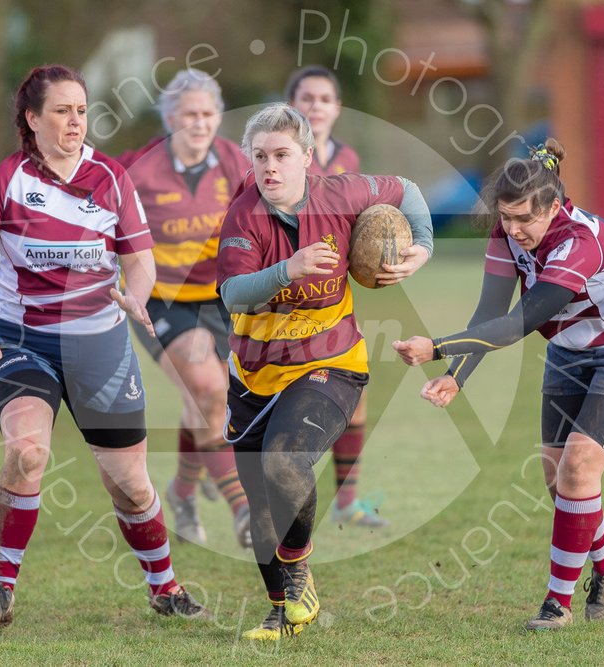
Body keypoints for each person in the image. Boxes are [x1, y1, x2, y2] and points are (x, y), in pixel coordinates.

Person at [0, 64, 207, 627]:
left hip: (100, 345)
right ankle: (0, 587)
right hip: (23, 342)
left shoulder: (111, 177)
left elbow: (140, 260)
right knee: (26, 452)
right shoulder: (6, 180)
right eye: (62, 111)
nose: (75, 122)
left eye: (82, 110)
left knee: (131, 484)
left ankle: (164, 587)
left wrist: (135, 297)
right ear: (32, 118)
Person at [393, 139, 604, 631]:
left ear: (554, 206)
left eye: (525, 218)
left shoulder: (582, 242)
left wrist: (437, 347)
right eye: (506, 217)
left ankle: (556, 604)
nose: (514, 229)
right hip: (570, 350)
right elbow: (489, 313)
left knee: (579, 465)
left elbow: (522, 320)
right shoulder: (506, 236)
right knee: (557, 478)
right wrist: (457, 377)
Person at [216, 104, 433, 640]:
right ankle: (283, 609)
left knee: (285, 462)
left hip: (331, 364)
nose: (270, 167)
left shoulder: (341, 194)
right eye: (260, 156)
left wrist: (422, 247)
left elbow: (408, 189)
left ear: (308, 158)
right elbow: (233, 295)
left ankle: (300, 570)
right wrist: (287, 269)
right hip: (254, 376)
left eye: (282, 155)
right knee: (259, 513)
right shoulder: (244, 216)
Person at [118, 69, 252, 549]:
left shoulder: (236, 162)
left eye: (208, 113)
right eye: (189, 114)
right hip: (161, 298)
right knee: (208, 389)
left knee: (209, 401)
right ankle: (243, 509)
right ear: (170, 117)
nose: (199, 122)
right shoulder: (139, 169)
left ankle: (181, 492)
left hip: (221, 298)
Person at [286, 65, 381, 528]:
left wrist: (379, 260)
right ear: (292, 107)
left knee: (358, 388)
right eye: (307, 97)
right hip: (282, 303)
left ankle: (347, 503)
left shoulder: (347, 157)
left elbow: (356, 230)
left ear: (337, 108)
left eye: (325, 98)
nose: (316, 106)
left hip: (332, 298)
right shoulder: (279, 158)